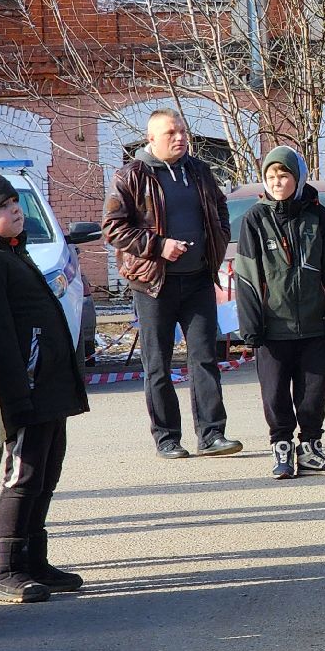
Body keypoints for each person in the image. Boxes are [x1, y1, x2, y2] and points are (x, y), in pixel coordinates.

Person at [0, 173, 90, 604]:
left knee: (47, 471)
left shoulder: (15, 253)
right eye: (3, 206)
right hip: (22, 389)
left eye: (15, 202)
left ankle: (32, 557)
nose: (14, 210)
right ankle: (5, 566)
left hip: (50, 385)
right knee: (22, 474)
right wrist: (17, 394)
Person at [101, 110, 239, 460]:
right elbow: (113, 228)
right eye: (170, 133)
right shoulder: (130, 176)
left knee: (205, 358)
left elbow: (221, 212)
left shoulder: (199, 171)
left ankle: (211, 435)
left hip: (197, 282)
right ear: (151, 139)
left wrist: (216, 245)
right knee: (158, 364)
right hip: (152, 285)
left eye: (182, 131)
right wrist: (159, 245)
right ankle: (167, 437)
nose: (180, 138)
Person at [233, 146, 325, 480]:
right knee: (275, 393)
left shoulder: (318, 216)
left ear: (297, 177)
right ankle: (281, 447)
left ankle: (310, 448)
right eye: (271, 176)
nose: (277, 182)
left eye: (284, 175)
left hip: (313, 324)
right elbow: (246, 275)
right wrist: (251, 323)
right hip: (272, 328)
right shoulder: (255, 218)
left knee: (315, 390)